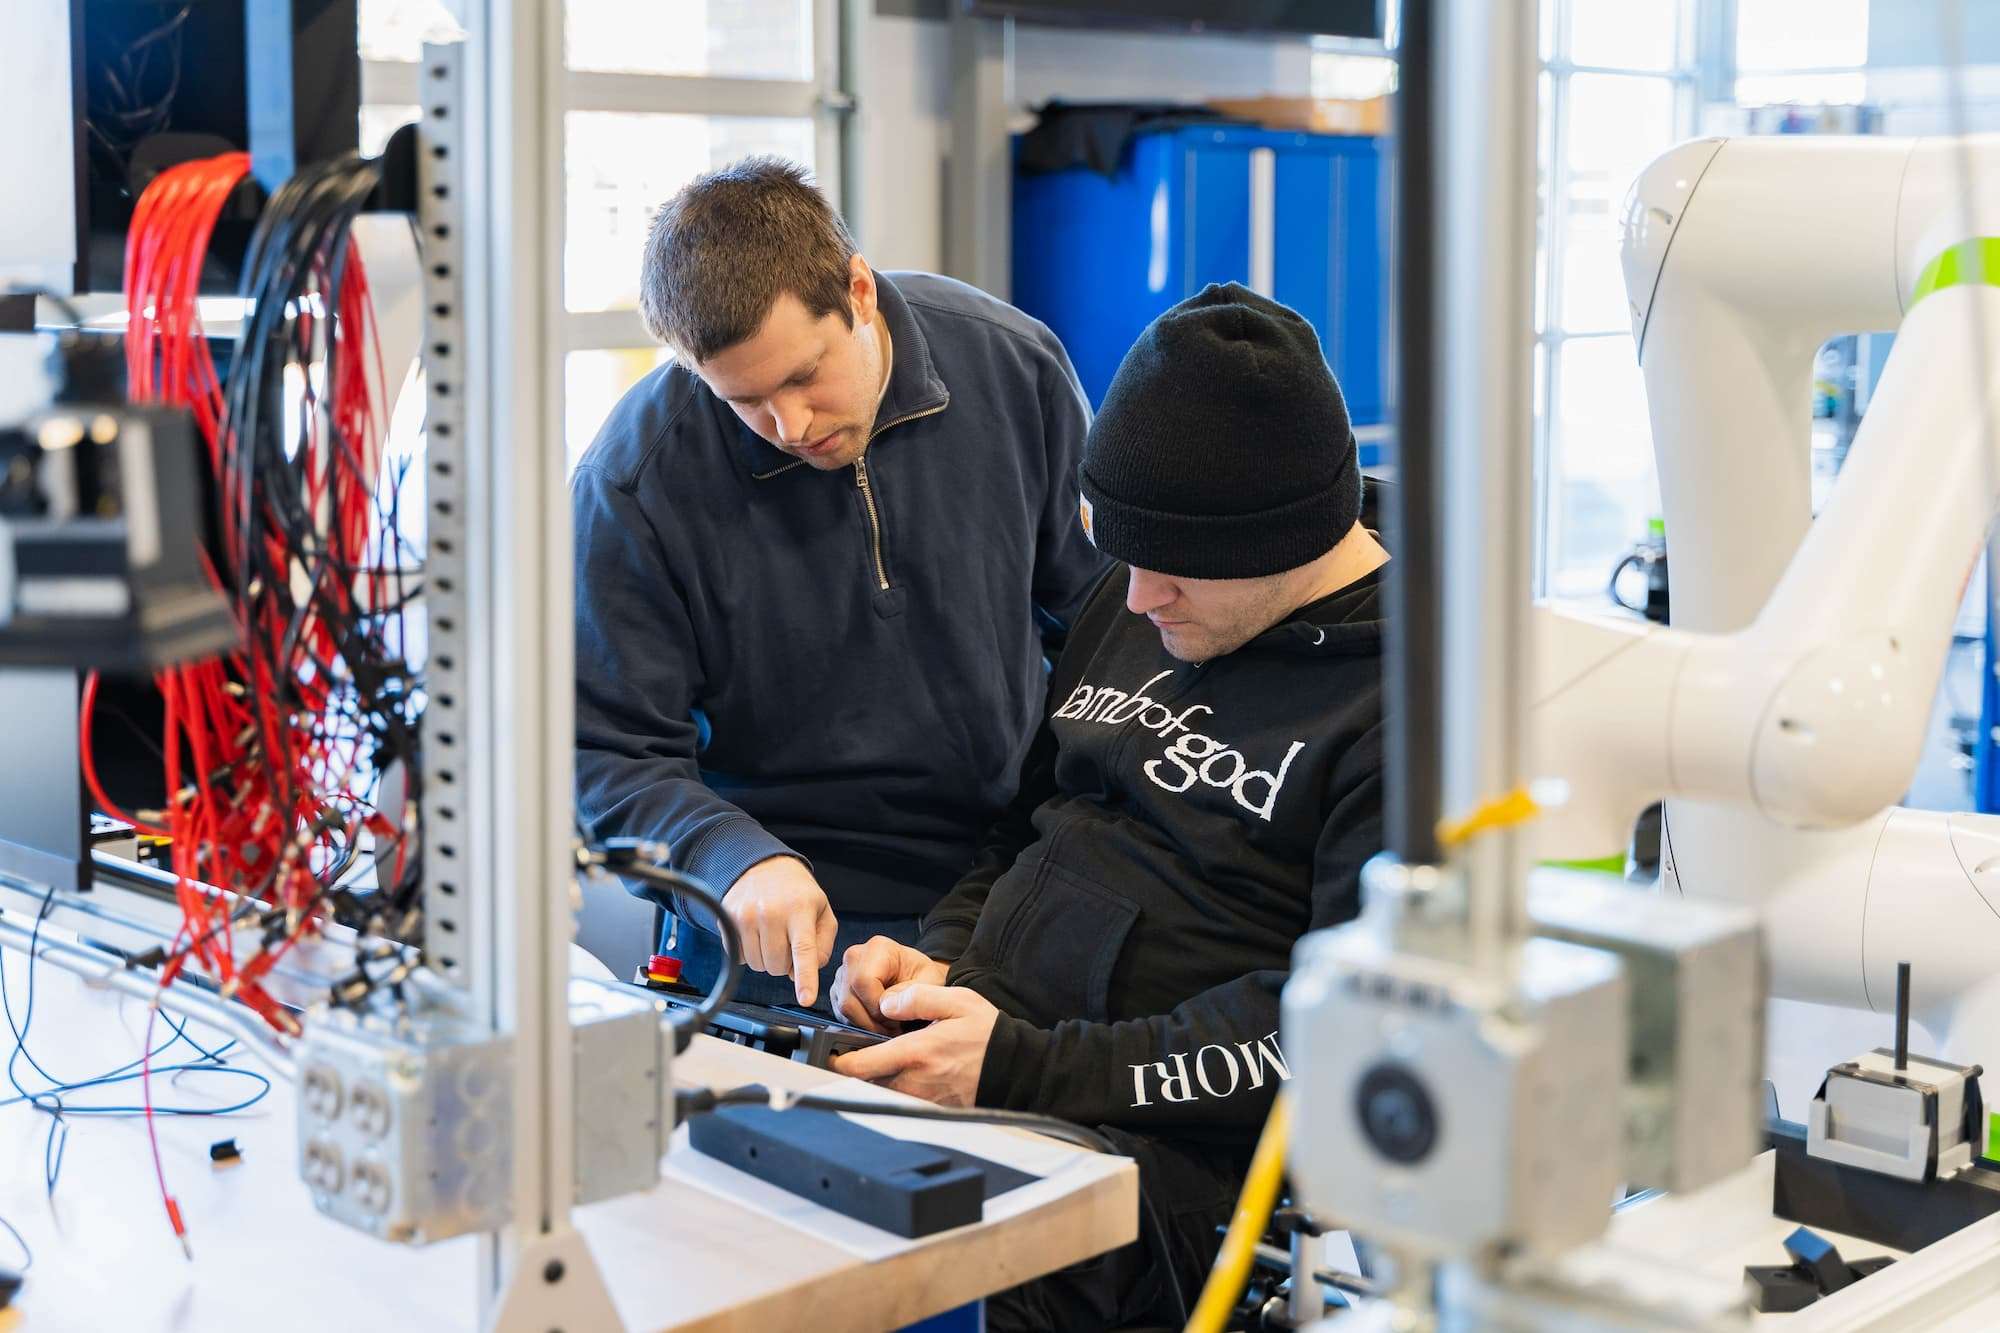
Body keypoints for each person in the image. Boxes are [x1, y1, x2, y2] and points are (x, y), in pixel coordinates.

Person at [829, 284, 1389, 1328]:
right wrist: (939, 960)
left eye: (1170, 572)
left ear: (1286, 541)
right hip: (1000, 1065)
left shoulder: (1408, 706)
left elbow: (1332, 1029)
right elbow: (1022, 824)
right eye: (1120, 552)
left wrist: (1019, 1068)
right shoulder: (1146, 599)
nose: (1135, 600)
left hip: (1166, 1160)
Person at [572, 158, 1107, 1009]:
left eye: (802, 376)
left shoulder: (1014, 368)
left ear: (859, 291)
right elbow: (601, 749)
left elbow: (1103, 621)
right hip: (776, 919)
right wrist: (723, 856)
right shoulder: (636, 481)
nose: (791, 426)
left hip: (1004, 877)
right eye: (745, 401)